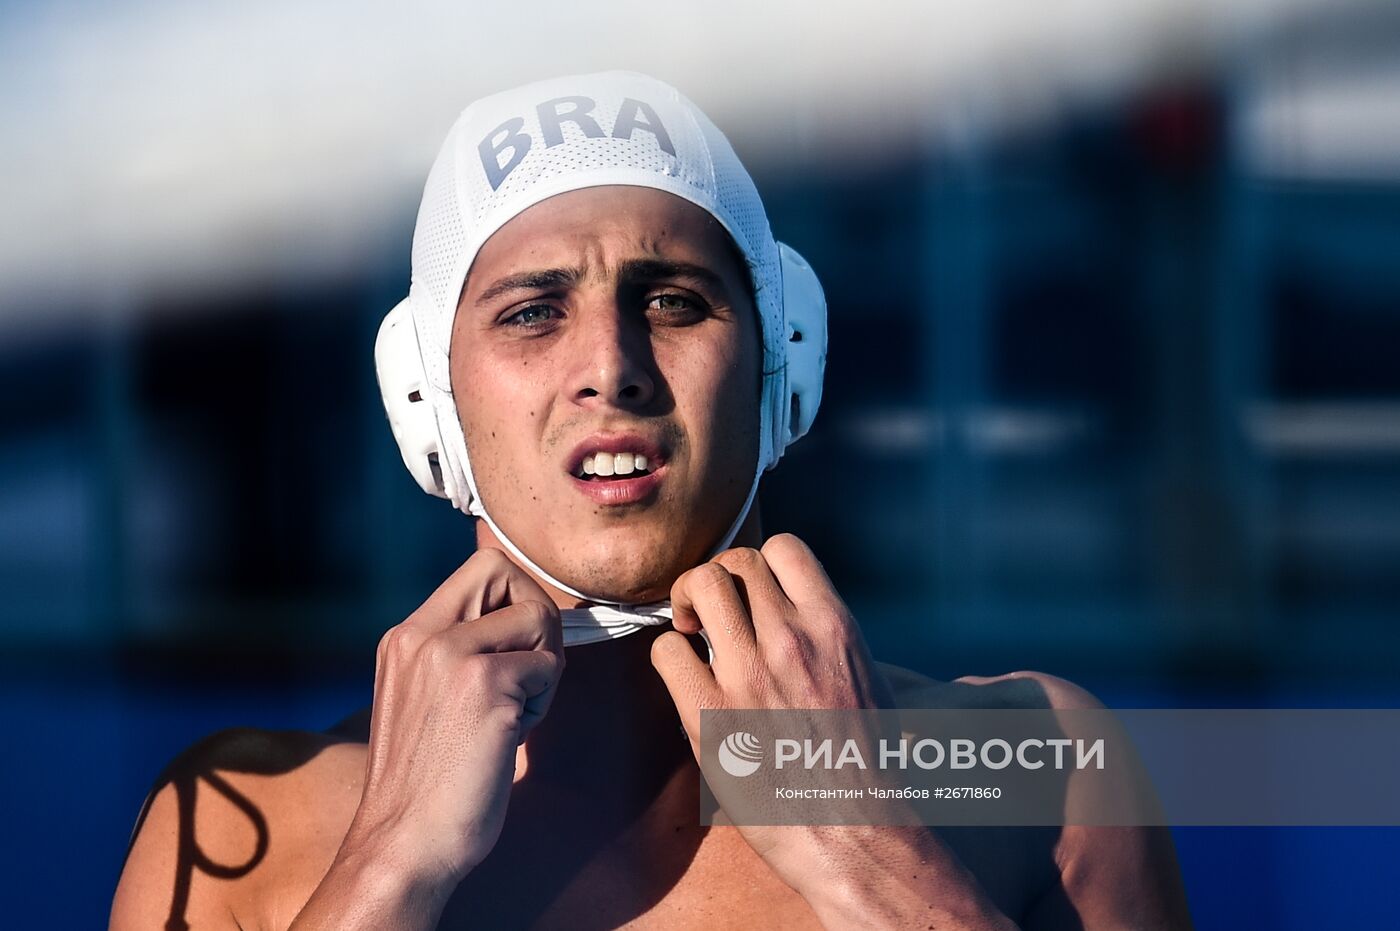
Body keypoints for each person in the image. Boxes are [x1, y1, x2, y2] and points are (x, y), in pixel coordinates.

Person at [110, 71, 1192, 930]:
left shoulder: (1042, 774)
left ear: (784, 366)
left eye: (671, 300)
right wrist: (389, 865)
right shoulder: (245, 823)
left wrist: (871, 854)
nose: (610, 366)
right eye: (533, 312)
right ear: (423, 400)